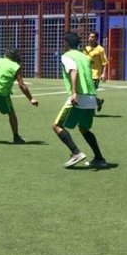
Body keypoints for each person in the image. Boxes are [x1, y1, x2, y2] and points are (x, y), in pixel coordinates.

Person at [52, 32, 107, 168]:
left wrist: (74, 92)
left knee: (57, 126)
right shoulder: (84, 56)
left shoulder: (67, 56)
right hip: (91, 97)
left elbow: (73, 71)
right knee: (84, 128)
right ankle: (99, 158)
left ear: (66, 43)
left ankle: (76, 153)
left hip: (80, 96)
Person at [84, 31, 108, 112]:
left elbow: (105, 62)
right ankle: (98, 102)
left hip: (96, 74)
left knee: (91, 92)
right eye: (89, 37)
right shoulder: (86, 49)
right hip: (86, 74)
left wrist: (104, 74)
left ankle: (91, 111)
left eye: (92, 37)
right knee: (86, 92)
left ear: (96, 39)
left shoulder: (100, 49)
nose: (90, 38)